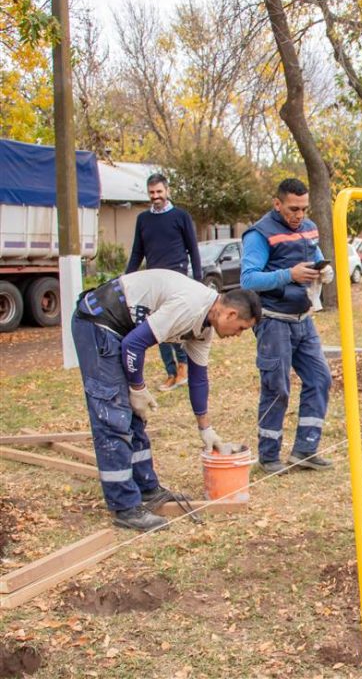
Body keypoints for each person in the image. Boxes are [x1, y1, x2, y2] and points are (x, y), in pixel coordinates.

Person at [72, 269, 261, 531]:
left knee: (135, 417)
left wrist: (205, 428)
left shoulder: (204, 328)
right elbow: (133, 346)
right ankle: (125, 507)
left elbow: (198, 378)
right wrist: (137, 388)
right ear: (230, 314)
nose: (238, 334)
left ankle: (147, 488)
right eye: (241, 328)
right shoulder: (190, 305)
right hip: (98, 323)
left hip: (121, 331)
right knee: (113, 414)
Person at [241, 178, 335, 475]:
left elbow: (314, 255)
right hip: (273, 321)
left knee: (320, 379)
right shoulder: (259, 235)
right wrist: (289, 275)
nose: (299, 215)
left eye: (304, 209)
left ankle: (305, 450)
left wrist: (324, 269)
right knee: (277, 387)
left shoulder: (307, 227)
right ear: (277, 203)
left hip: (303, 320)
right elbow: (248, 280)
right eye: (293, 209)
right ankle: (269, 456)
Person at [126, 173, 203, 392]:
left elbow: (193, 250)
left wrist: (198, 280)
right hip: (153, 282)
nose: (155, 196)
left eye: (159, 192)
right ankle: (170, 373)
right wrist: (125, 279)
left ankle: (182, 368)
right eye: (151, 193)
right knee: (156, 328)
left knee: (175, 326)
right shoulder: (143, 219)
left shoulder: (181, 216)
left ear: (167, 191)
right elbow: (136, 253)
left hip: (177, 278)